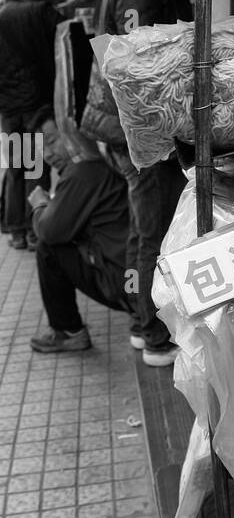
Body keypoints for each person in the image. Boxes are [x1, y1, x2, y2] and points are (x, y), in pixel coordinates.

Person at [81, 0, 192, 367]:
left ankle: (137, 318)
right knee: (154, 230)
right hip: (138, 131)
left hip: (121, 128)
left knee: (140, 228)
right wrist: (163, 131)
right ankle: (153, 334)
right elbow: (140, 62)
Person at [27, 111, 134, 353]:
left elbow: (48, 231)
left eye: (53, 141)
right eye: (41, 147)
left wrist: (39, 206)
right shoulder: (104, 156)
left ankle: (68, 331)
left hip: (129, 286)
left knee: (48, 248)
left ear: (71, 133)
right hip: (137, 279)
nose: (49, 154)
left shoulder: (84, 171)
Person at [0, 0, 57, 249]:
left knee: (15, 168)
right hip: (35, 107)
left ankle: (16, 232)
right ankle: (35, 231)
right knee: (35, 166)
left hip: (9, 112)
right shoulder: (38, 11)